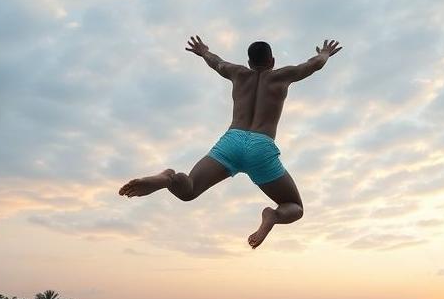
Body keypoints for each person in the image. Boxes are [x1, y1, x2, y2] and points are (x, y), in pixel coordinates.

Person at [118, 37, 342, 248]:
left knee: (189, 190)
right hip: (261, 147)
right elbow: (314, 64)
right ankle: (272, 216)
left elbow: (217, 63)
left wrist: (203, 51)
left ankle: (167, 178)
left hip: (232, 141)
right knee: (295, 207)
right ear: (272, 61)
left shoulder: (238, 73)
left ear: (248, 62)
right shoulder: (282, 76)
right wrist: (325, 52)